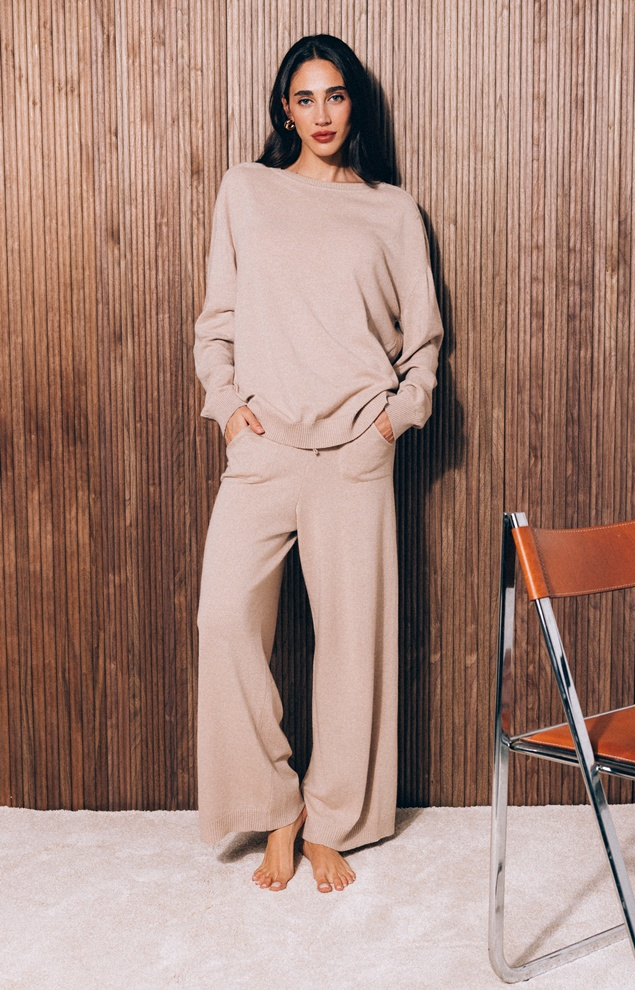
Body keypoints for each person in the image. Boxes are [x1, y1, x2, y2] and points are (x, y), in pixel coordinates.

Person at [194, 34, 443, 894]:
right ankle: (277, 807)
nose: (322, 114)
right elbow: (217, 321)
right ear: (285, 110)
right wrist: (230, 413)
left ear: (353, 105)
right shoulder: (246, 190)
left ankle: (333, 821)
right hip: (263, 450)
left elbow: (423, 345)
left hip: (355, 456)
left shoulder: (392, 211)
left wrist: (392, 424)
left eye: (335, 96)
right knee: (224, 620)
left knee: (351, 648)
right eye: (305, 98)